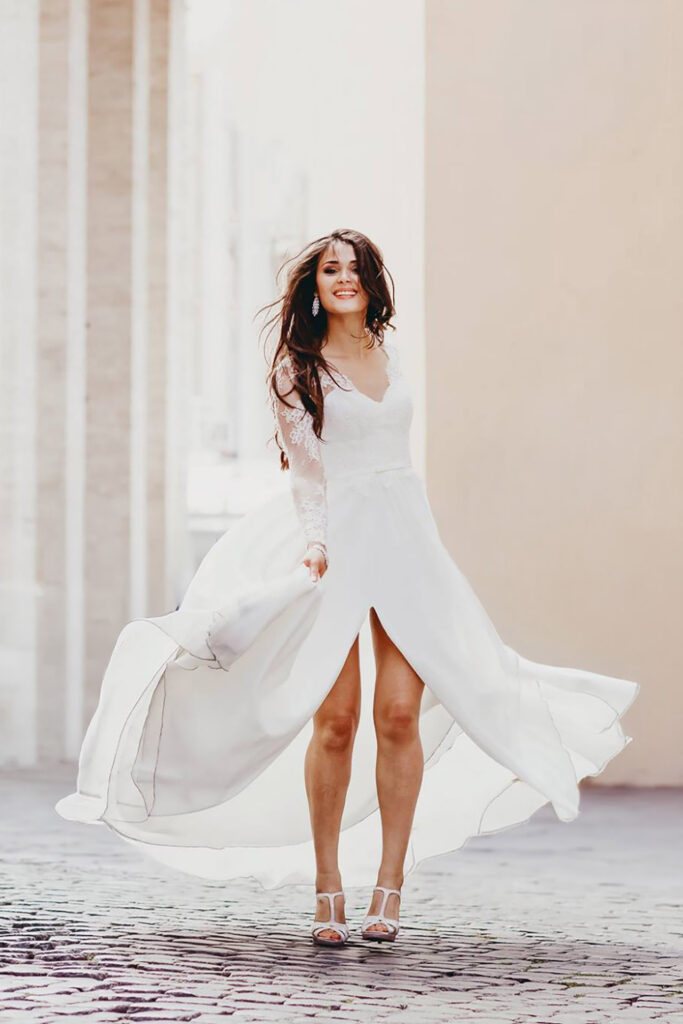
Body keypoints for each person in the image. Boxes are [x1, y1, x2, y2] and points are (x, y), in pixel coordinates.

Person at [56, 228, 639, 948]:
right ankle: (327, 884)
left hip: (405, 537)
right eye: (330, 268)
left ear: (370, 282)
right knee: (334, 721)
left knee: (399, 715)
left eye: (354, 268)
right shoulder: (296, 370)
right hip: (334, 538)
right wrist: (317, 540)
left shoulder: (386, 349)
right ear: (311, 285)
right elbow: (306, 474)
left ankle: (389, 888)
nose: (343, 277)